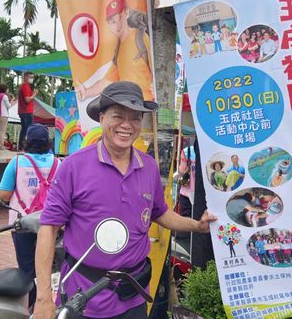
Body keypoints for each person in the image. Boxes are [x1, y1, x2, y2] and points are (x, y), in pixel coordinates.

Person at [33, 81, 216, 319]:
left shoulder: (148, 166)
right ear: (101, 118)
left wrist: (196, 226)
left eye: (135, 118)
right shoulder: (74, 166)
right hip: (85, 298)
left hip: (133, 295)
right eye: (118, 116)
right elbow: (48, 229)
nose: (126, 126)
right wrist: (43, 297)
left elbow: (160, 213)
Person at [0, 124, 60, 309]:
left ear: (26, 142)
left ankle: (32, 304)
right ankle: (52, 302)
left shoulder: (16, 163)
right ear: (48, 143)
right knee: (51, 265)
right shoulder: (59, 164)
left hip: (21, 223)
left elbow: (4, 194)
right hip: (51, 224)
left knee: (26, 268)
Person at [77, 0, 153, 101]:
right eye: (112, 22)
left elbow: (156, 67)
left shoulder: (141, 36)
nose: (117, 25)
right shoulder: (118, 51)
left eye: (120, 18)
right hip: (129, 107)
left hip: (148, 105)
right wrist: (86, 92)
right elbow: (107, 81)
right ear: (108, 25)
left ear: (126, 13)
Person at [18, 72, 38, 151]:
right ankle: (24, 147)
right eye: (30, 77)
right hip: (26, 111)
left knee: (24, 129)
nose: (31, 79)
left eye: (32, 77)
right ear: (25, 77)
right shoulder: (25, 86)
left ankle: (22, 147)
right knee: (28, 130)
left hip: (23, 111)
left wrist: (32, 94)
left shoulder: (25, 86)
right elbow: (27, 99)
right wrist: (35, 94)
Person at [0, 83, 13, 151]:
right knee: (2, 131)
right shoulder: (4, 96)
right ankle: (1, 146)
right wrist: (11, 100)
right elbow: (8, 106)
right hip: (3, 115)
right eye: (7, 89)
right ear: (5, 89)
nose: (8, 90)